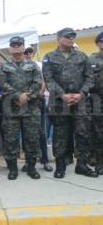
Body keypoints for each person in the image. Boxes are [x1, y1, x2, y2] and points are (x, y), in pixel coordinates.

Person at [42, 27, 97, 178]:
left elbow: (89, 77)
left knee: (82, 133)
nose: (71, 39)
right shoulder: (49, 57)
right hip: (60, 103)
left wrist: (81, 94)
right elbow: (48, 79)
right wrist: (62, 95)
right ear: (59, 38)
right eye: (67, 37)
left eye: (73, 37)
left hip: (80, 102)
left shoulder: (82, 56)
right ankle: (60, 166)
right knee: (60, 134)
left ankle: (81, 165)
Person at [0, 37, 42, 180]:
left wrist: (26, 97)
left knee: (31, 139)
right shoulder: (4, 67)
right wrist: (17, 96)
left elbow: (37, 83)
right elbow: (2, 84)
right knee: (10, 140)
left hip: (30, 108)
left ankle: (31, 167)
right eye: (13, 45)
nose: (16, 47)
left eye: (19, 45)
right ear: (10, 48)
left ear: (23, 47)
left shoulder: (33, 65)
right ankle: (12, 168)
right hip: (11, 109)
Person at [22, 47, 53, 172]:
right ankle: (27, 162)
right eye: (26, 52)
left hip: (38, 102)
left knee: (42, 133)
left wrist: (40, 91)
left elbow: (45, 80)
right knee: (26, 134)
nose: (28, 54)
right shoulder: (19, 67)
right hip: (25, 103)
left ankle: (44, 161)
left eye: (30, 52)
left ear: (33, 53)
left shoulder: (39, 65)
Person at [89, 31, 103, 175]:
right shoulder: (91, 60)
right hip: (97, 101)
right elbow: (87, 80)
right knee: (98, 134)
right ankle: (99, 163)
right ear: (98, 43)